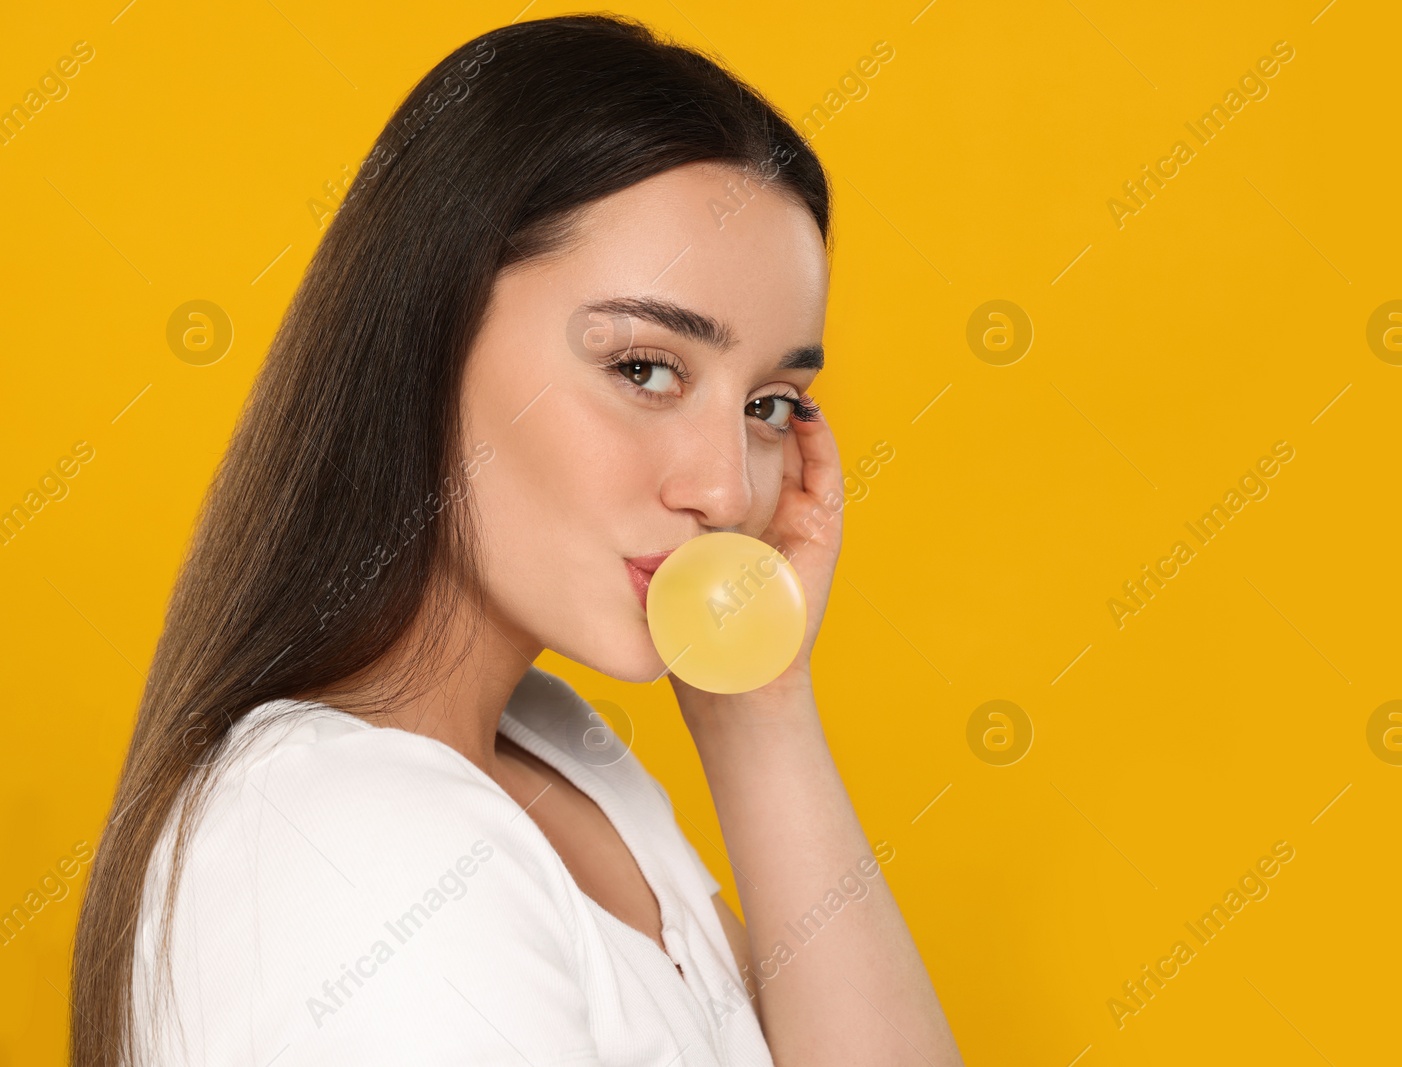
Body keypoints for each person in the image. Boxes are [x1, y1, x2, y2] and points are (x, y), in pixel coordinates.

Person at [69, 13, 963, 1067]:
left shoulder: (555, 749)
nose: (726, 487)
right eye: (643, 368)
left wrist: (758, 703)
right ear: (429, 332)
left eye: (768, 403)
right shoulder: (360, 842)